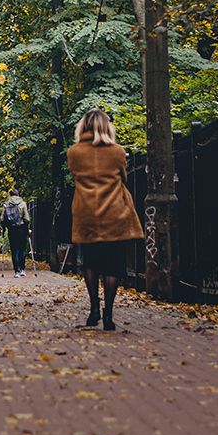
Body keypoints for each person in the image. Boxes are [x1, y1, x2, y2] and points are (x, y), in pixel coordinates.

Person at [68, 106, 145, 330]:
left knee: (90, 263)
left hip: (87, 214)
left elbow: (75, 176)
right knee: (114, 266)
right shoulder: (118, 151)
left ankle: (93, 308)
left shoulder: (74, 152)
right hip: (115, 214)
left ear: (83, 127)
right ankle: (109, 314)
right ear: (106, 127)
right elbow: (124, 176)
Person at [2, 190, 32, 277]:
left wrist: (4, 229)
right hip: (22, 229)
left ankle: (16, 271)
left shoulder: (6, 205)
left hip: (12, 230)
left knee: (14, 250)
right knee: (22, 249)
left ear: (10, 195)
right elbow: (27, 218)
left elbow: (2, 219)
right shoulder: (23, 204)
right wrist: (27, 229)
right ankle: (22, 269)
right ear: (18, 195)